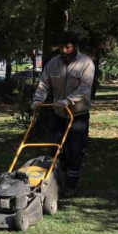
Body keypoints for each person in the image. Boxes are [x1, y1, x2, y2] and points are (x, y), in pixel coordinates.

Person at [31, 32, 95, 196]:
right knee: (54, 148)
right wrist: (38, 100)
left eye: (67, 47)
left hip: (78, 115)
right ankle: (54, 182)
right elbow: (44, 83)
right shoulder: (53, 63)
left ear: (75, 47)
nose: (64, 51)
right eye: (61, 48)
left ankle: (71, 186)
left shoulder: (86, 63)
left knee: (75, 150)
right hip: (59, 114)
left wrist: (68, 100)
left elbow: (85, 88)